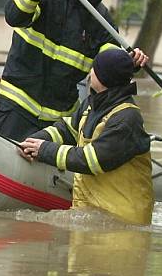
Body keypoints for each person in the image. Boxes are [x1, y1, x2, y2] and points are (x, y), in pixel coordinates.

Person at [0, 0, 148, 140]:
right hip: (16, 105)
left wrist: (131, 62)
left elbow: (110, 69)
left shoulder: (102, 20)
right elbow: (14, 16)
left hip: (59, 121)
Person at [18, 48, 154, 225]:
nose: (90, 73)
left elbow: (93, 160)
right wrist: (32, 142)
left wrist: (44, 150)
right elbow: (65, 130)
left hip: (122, 223)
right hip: (90, 211)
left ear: (102, 78)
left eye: (94, 69)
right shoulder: (92, 104)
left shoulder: (127, 118)